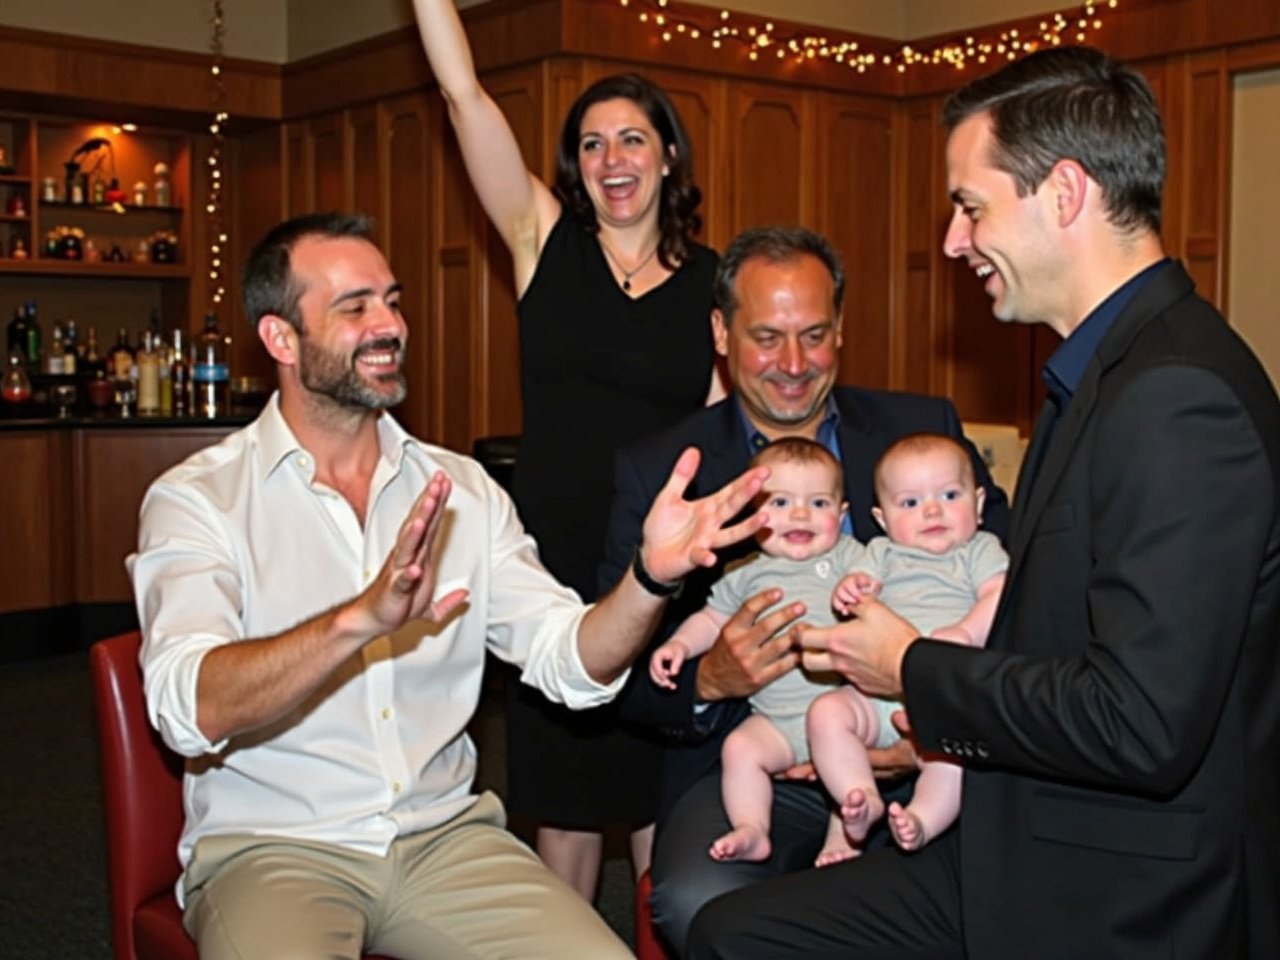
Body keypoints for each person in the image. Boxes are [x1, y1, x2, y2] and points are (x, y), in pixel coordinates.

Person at [686, 46, 1280, 960]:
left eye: (971, 206)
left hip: (1124, 888)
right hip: (1027, 824)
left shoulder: (1175, 397)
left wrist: (912, 667)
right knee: (730, 932)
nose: (955, 242)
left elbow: (1143, 721)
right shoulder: (1110, 372)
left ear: (1065, 194)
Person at [128, 213, 769, 960]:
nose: (389, 324)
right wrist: (357, 621)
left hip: (446, 841)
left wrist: (648, 578)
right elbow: (184, 707)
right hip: (275, 851)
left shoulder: (460, 489)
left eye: (393, 301)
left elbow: (573, 662)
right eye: (355, 306)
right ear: (280, 340)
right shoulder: (199, 499)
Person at [599, 224, 1011, 955]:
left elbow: (1016, 587)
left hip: (929, 747)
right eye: (767, 337)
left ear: (842, 332)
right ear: (721, 333)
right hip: (755, 760)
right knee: (694, 902)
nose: (793, 364)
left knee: (1012, 892)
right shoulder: (664, 469)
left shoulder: (923, 433)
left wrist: (936, 722)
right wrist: (710, 677)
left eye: (814, 335)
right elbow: (610, 672)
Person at [413, 0, 721, 901]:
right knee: (568, 806)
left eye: (632, 139)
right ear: (572, 166)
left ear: (668, 155)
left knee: (665, 797)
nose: (612, 160)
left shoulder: (713, 284)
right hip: (548, 564)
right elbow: (463, 94)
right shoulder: (539, 239)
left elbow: (723, 432)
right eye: (591, 144)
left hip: (658, 567)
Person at [811, 432, 1006, 861]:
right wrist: (850, 588)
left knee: (953, 759)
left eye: (949, 494)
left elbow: (999, 594)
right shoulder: (880, 552)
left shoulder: (979, 550)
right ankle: (857, 798)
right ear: (882, 519)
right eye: (910, 503)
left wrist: (967, 632)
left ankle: (920, 819)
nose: (932, 510)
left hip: (940, 694)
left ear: (977, 504)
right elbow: (861, 586)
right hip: (872, 693)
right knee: (826, 714)